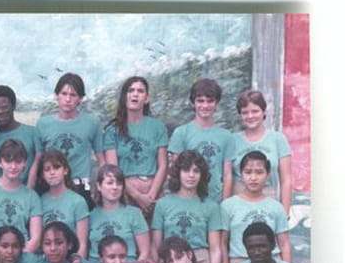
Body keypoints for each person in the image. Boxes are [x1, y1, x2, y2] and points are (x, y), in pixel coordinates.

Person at [150, 150, 222, 263]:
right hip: (170, 261)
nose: (191, 175)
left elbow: (215, 248)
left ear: (202, 175)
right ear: (178, 173)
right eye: (186, 170)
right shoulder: (162, 204)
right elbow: (155, 245)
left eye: (196, 171)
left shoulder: (211, 206)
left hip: (200, 260)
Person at [103, 76, 168, 221]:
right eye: (131, 90)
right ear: (124, 96)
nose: (135, 94)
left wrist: (151, 196)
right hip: (124, 191)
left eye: (140, 91)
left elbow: (163, 165)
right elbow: (113, 169)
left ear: (147, 98)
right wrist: (137, 196)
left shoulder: (158, 127)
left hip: (153, 191)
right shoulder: (112, 130)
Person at [34, 72, 104, 206]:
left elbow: (101, 160)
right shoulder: (43, 124)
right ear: (56, 95)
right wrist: (31, 189)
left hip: (80, 185)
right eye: (64, 93)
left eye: (73, 95)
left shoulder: (92, 122)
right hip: (50, 186)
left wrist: (100, 189)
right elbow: (38, 160)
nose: (67, 99)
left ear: (81, 98)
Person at [220, 150, 291, 263]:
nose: (253, 178)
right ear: (241, 174)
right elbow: (222, 243)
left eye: (259, 172)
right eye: (248, 172)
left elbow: (284, 244)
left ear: (267, 174)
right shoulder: (228, 206)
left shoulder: (276, 207)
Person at [167, 78, 234, 203]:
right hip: (189, 201)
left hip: (216, 201)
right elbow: (176, 172)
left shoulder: (227, 136)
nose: (205, 106)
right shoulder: (181, 133)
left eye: (210, 101)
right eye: (200, 101)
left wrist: (225, 205)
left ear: (216, 103)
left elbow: (227, 175)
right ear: (193, 103)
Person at [0, 139, 42, 257]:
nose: (13, 166)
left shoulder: (32, 196)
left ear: (25, 163)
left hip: (22, 255)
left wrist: (18, 258)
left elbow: (36, 239)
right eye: (8, 161)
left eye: (18, 161)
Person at [230, 90, 292, 214]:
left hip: (269, 207)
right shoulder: (232, 140)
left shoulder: (278, 139)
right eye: (245, 112)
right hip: (239, 208)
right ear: (240, 115)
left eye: (255, 111)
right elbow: (227, 178)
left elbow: (286, 180)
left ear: (264, 111)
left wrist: (285, 213)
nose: (250, 116)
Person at [87, 164, 150, 263]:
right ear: (99, 186)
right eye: (110, 183)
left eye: (119, 183)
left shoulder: (134, 213)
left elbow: (144, 253)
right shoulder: (90, 215)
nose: (115, 187)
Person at [36, 149, 89, 258]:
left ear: (65, 170)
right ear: (42, 175)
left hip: (70, 260)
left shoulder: (78, 201)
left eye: (56, 167)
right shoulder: (39, 201)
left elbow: (82, 245)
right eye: (47, 169)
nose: (52, 173)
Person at [0, 85, 40, 185]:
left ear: (13, 106)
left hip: (26, 191)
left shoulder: (33, 133)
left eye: (4, 107)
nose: (0, 112)